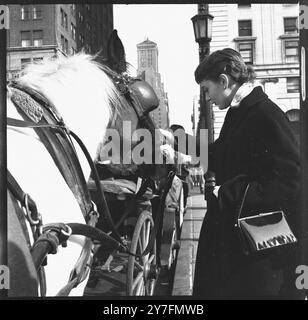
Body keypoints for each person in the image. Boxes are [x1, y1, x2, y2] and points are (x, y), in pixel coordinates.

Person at [192, 48, 301, 299]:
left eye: (207, 89)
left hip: (257, 252)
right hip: (237, 242)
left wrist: (230, 192)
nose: (207, 98)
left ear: (224, 81)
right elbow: (221, 152)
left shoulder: (265, 113)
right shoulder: (239, 110)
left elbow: (290, 180)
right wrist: (183, 152)